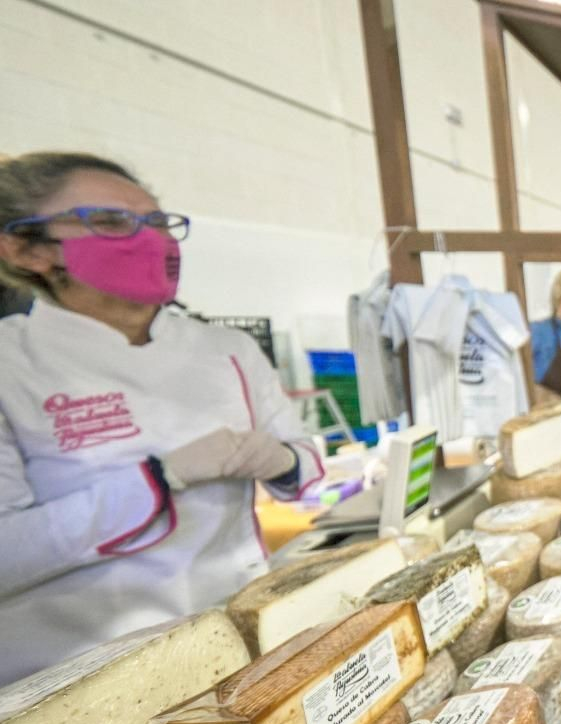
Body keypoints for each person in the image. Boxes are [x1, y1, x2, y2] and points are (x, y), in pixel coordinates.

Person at [0, 152, 324, 682]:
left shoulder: (226, 349)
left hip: (239, 638)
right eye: (110, 222)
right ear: (26, 249)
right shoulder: (12, 366)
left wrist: (283, 458)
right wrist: (157, 479)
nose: (149, 239)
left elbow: (307, 465)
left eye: (157, 222)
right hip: (80, 672)